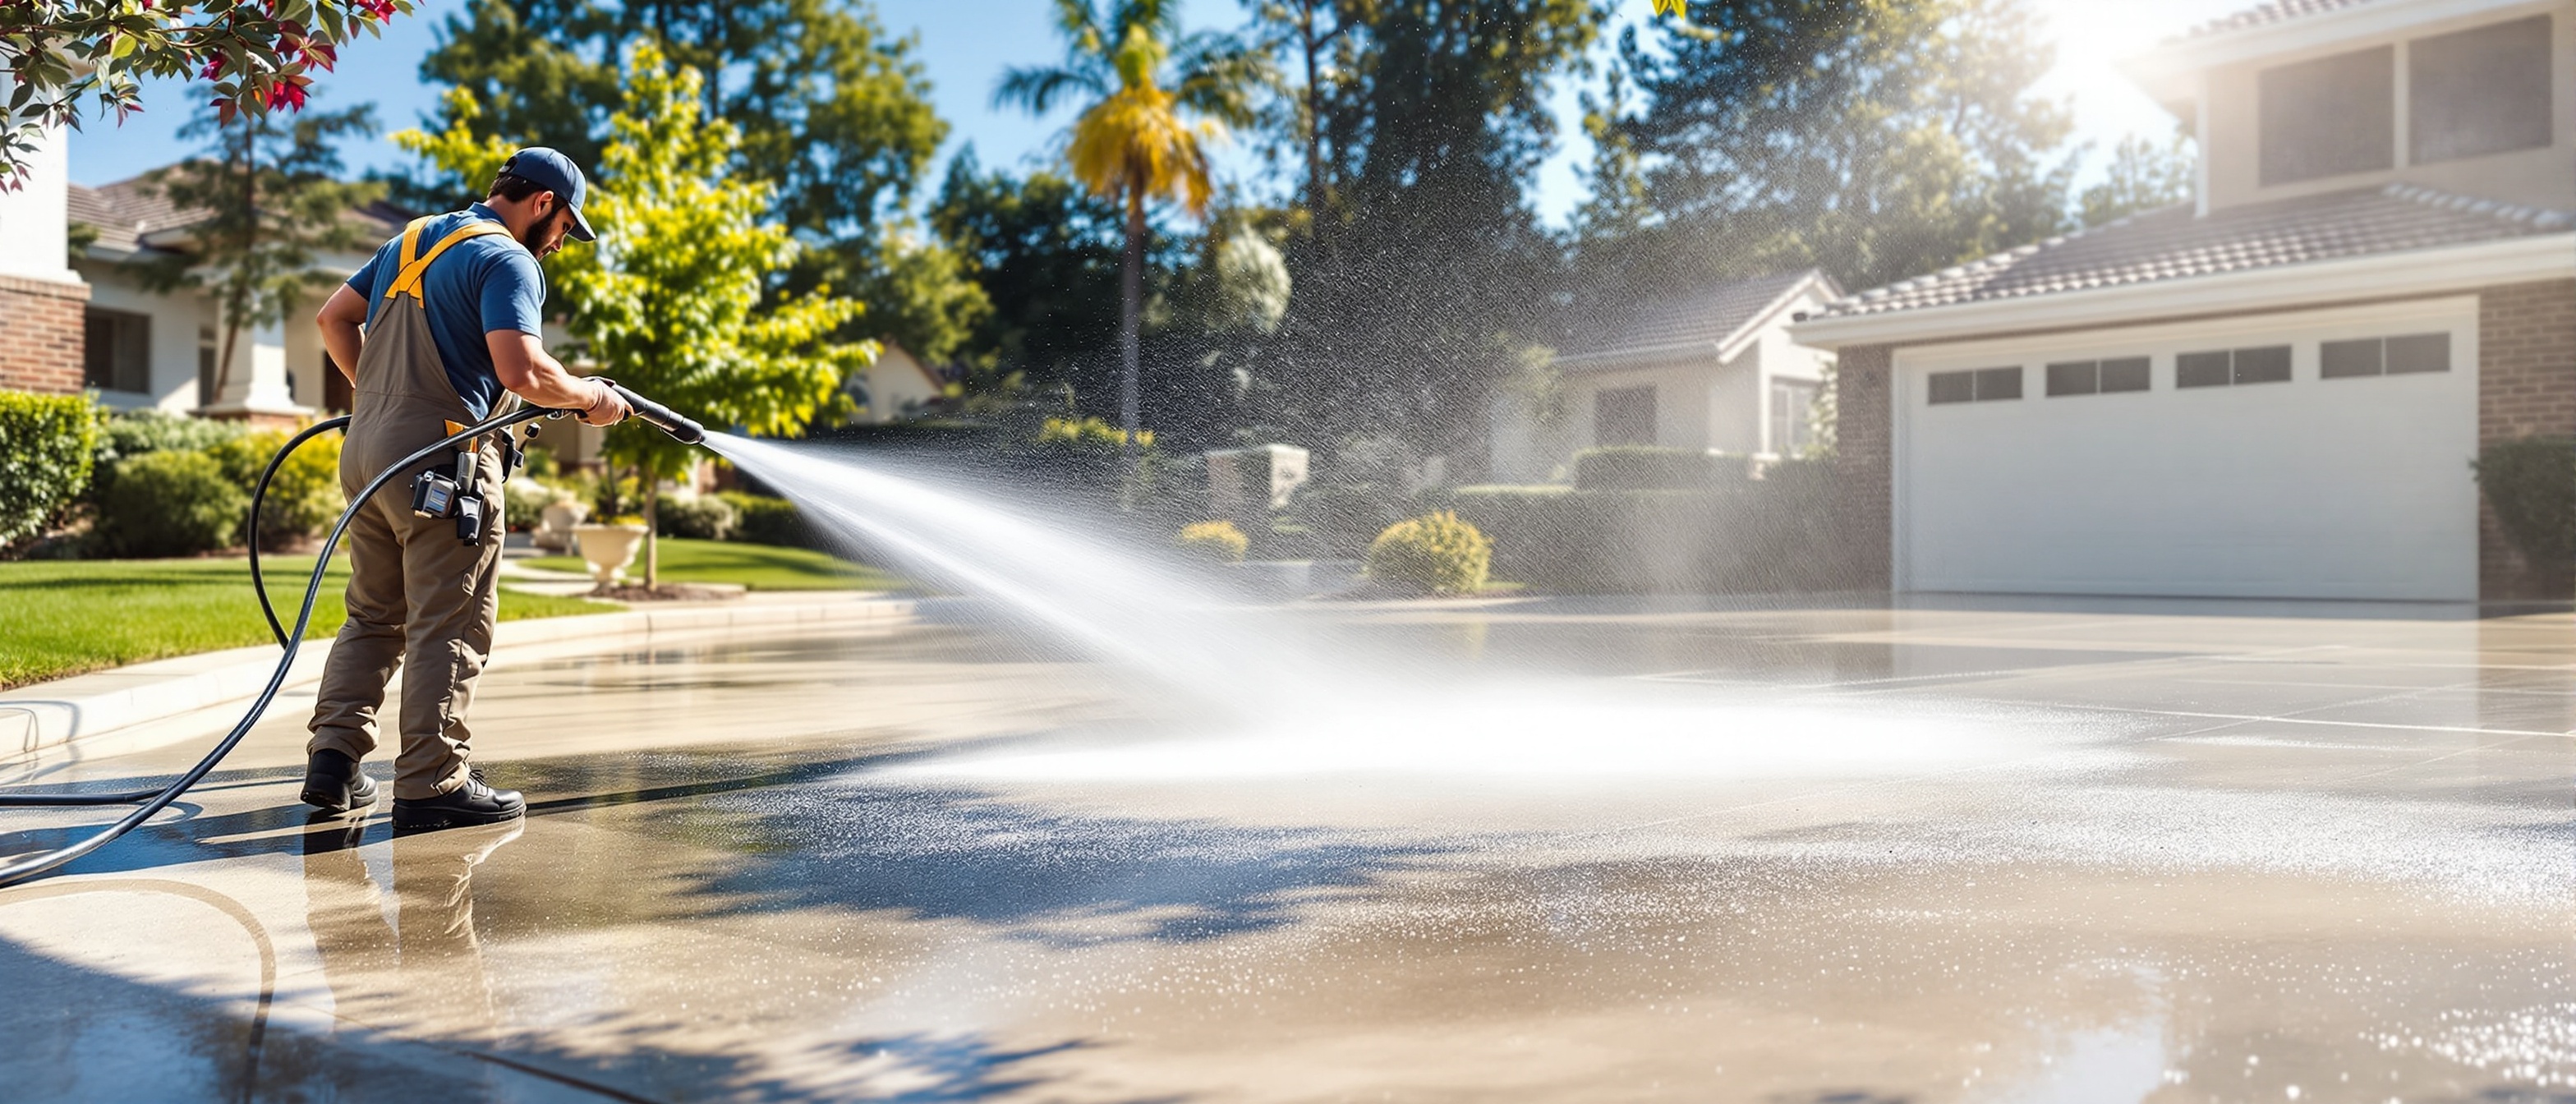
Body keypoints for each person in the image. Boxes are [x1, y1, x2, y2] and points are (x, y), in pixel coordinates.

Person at [299, 147, 633, 829]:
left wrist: (383, 402)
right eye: (566, 225)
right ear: (542, 204)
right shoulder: (511, 260)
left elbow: (332, 318)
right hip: (445, 461)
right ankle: (432, 782)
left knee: (372, 614)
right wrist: (589, 397)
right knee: (449, 621)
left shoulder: (413, 237)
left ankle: (333, 765)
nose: (563, 241)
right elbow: (522, 370)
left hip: (368, 454)